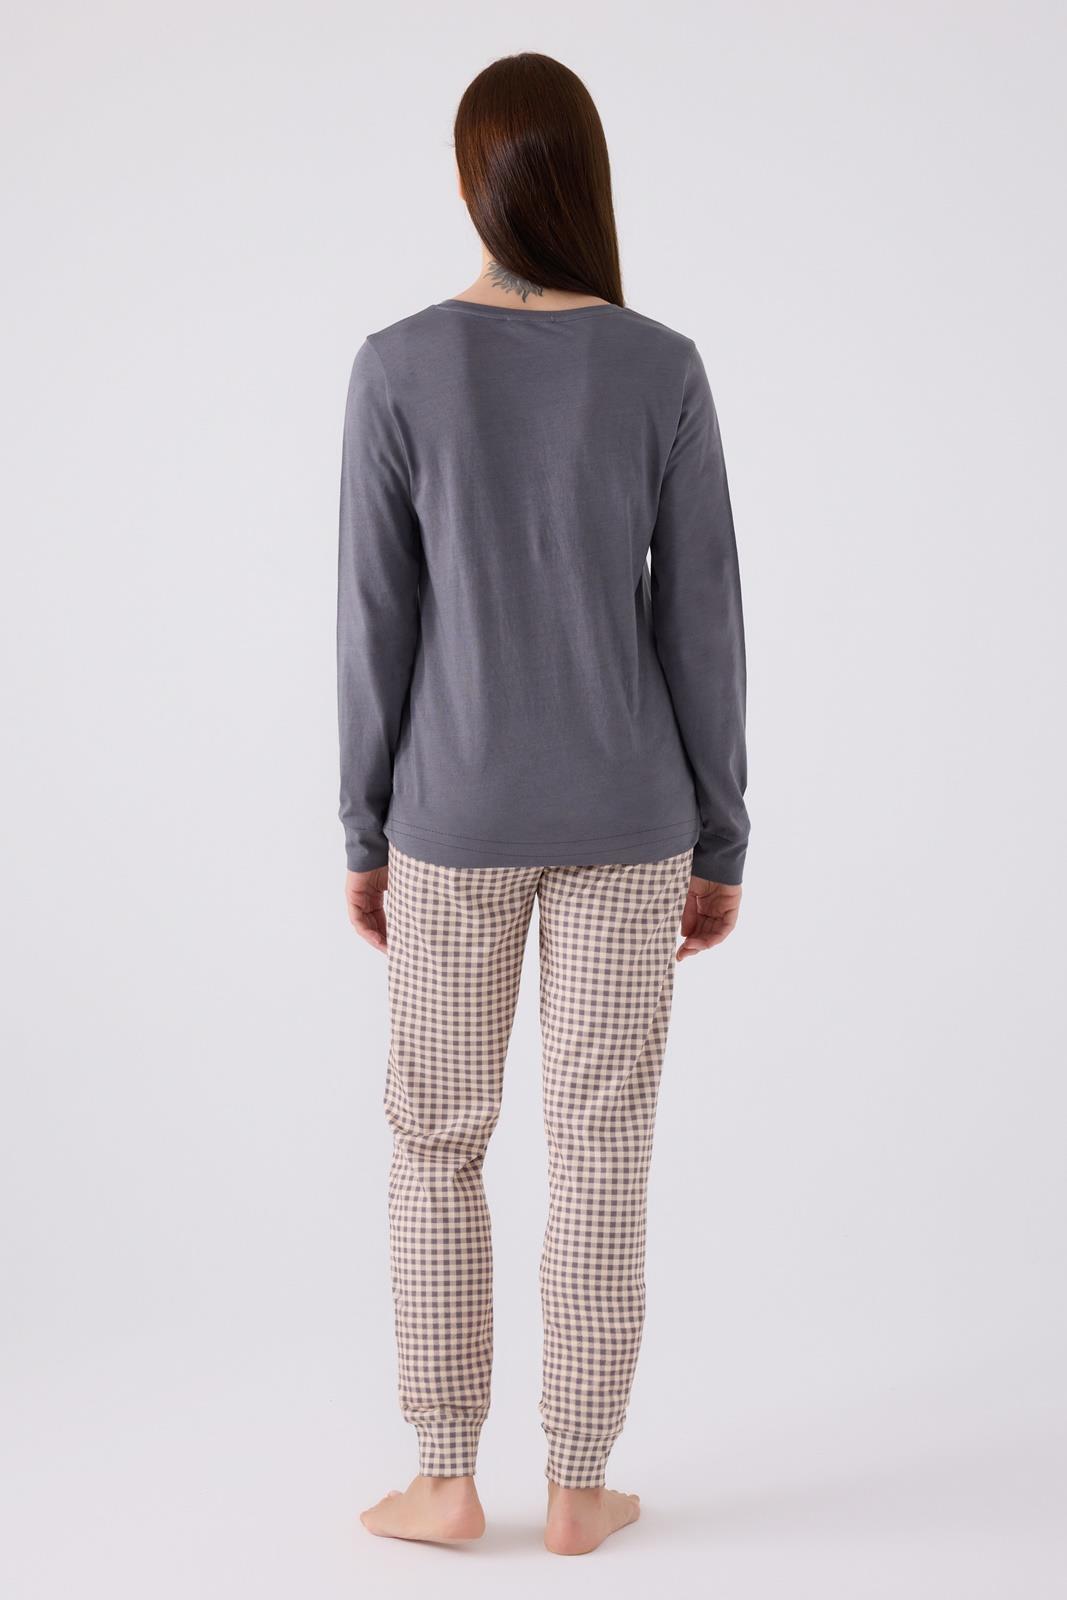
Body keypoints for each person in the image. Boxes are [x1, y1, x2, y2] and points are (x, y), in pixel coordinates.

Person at [337, 51, 749, 1557]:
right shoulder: (661, 367)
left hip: (449, 821)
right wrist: (722, 835)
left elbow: (373, 622)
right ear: (587, 180)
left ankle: (445, 1478)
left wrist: (364, 827)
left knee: (437, 1144)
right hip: (632, 823)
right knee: (600, 1153)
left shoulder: (398, 365)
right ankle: (580, 1484)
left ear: (474, 182)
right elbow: (703, 624)